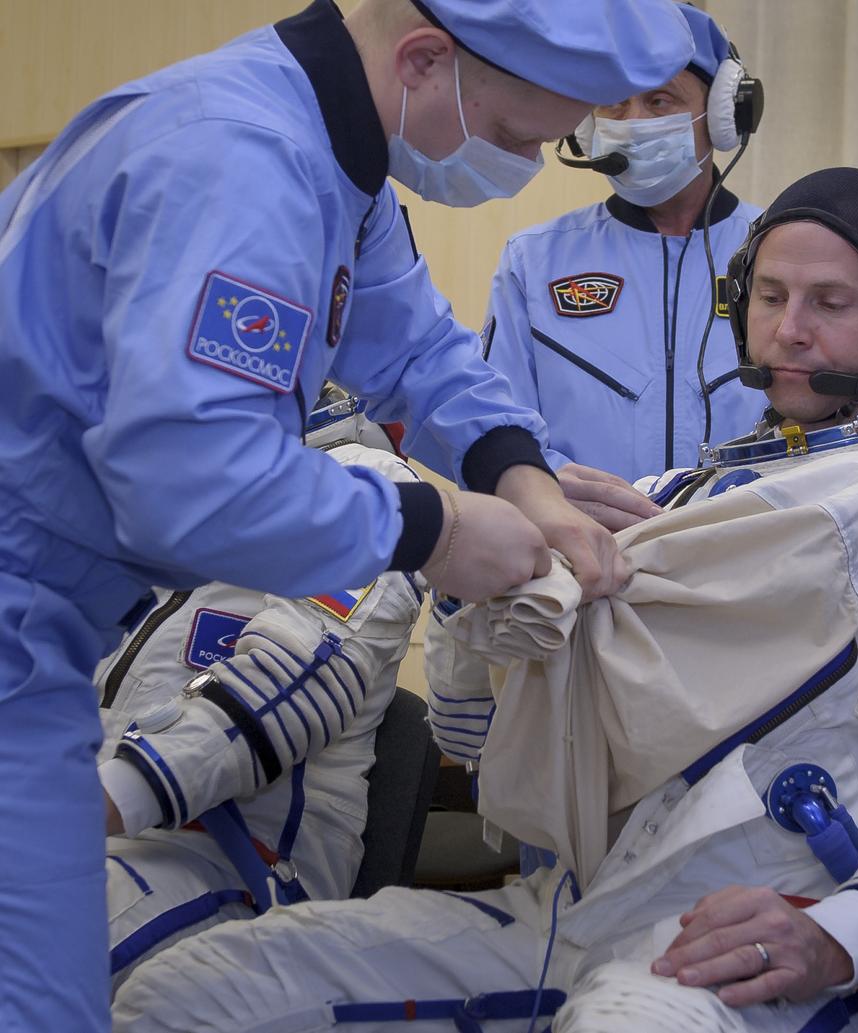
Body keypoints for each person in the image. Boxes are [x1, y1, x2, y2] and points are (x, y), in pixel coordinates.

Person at [112, 168, 858, 1033]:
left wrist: (841, 933)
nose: (789, 331)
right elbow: (475, 737)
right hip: (580, 911)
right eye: (767, 297)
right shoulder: (672, 513)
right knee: (190, 991)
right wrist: (481, 596)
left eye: (829, 302)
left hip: (785, 942)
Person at [0, 1, 696, 1028]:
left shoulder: (335, 164)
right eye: (514, 137)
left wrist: (523, 477)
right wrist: (436, 530)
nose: (521, 165)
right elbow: (194, 474)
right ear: (424, 60)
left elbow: (415, 348)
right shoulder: (244, 163)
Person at [98, 387, 424, 991]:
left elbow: (299, 684)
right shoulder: (154, 504)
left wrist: (98, 800)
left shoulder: (367, 481)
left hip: (240, 858)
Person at [475, 3, 767, 531]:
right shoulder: (534, 261)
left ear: (725, 116)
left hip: (748, 568)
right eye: (613, 103)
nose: (633, 123)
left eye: (660, 100)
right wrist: (545, 488)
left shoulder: (788, 252)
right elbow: (496, 428)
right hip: (585, 567)